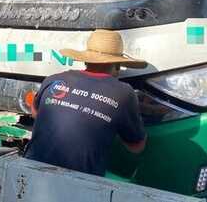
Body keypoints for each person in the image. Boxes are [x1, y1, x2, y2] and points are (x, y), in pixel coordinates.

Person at [24, 29, 147, 176]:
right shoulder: (125, 93)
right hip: (82, 183)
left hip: (30, 170)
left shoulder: (53, 79)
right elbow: (137, 146)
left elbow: (36, 112)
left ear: (86, 59)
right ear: (117, 64)